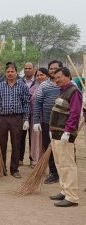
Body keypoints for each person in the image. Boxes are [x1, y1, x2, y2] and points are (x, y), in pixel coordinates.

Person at [49, 67, 82, 207]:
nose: (57, 80)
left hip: (64, 134)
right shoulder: (62, 91)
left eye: (59, 77)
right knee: (60, 164)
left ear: (68, 76)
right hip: (57, 133)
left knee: (67, 165)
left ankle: (72, 196)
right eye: (55, 78)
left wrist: (68, 131)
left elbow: (74, 113)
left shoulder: (74, 92)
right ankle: (64, 190)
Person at [0, 63, 30, 178]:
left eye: (12, 71)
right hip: (2, 118)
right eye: (8, 72)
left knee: (16, 143)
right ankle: (2, 168)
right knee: (2, 144)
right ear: (5, 73)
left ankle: (14, 169)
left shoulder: (23, 86)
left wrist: (26, 119)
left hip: (17, 118)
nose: (10, 74)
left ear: (16, 73)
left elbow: (26, 103)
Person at [33, 60, 63, 184]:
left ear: (61, 69)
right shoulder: (44, 85)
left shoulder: (67, 84)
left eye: (55, 68)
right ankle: (53, 173)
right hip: (46, 122)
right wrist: (36, 121)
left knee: (66, 148)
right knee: (49, 147)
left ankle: (66, 172)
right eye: (50, 68)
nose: (52, 70)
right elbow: (38, 103)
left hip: (63, 125)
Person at [29, 68, 49, 166]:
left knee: (46, 140)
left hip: (47, 118)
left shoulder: (51, 87)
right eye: (38, 75)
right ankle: (36, 160)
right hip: (35, 118)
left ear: (47, 75)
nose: (40, 77)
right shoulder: (32, 89)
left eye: (42, 75)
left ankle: (47, 161)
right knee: (36, 140)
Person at [19, 62, 36, 166]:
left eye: (29, 68)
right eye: (25, 68)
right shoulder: (19, 81)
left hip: (34, 113)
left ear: (33, 69)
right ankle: (20, 159)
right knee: (21, 137)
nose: (27, 70)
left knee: (33, 138)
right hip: (22, 114)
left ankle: (32, 158)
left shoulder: (37, 81)